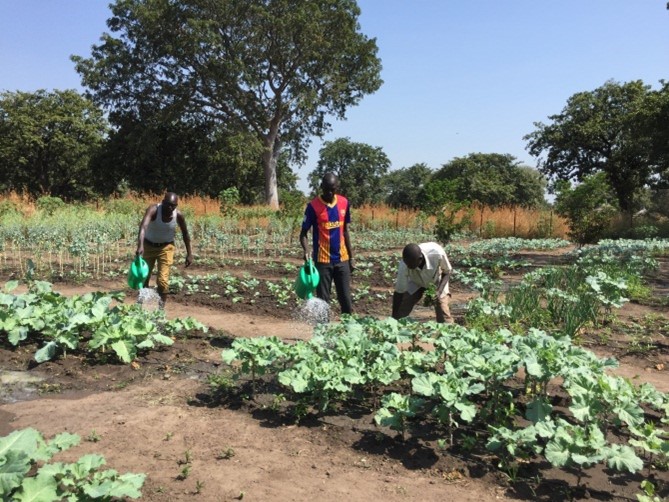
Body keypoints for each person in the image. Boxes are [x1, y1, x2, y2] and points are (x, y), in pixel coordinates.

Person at [300, 173, 354, 315]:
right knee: (323, 301)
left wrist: (351, 257)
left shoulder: (344, 203)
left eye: (333, 189)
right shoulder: (313, 206)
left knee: (346, 299)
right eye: (327, 189)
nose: (330, 193)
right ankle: (322, 334)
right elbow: (303, 233)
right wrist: (306, 251)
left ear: (337, 187)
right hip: (323, 261)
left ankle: (349, 332)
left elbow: (345, 231)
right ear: (321, 187)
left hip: (342, 259)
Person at [136, 192, 193, 305]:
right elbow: (143, 227)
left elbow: (185, 234)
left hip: (166, 247)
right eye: (168, 204)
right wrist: (140, 245)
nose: (170, 207)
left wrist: (189, 253)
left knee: (163, 281)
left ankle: (160, 311)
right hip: (149, 246)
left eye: (173, 205)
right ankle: (140, 306)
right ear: (162, 203)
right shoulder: (154, 210)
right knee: (144, 277)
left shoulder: (178, 215)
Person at [392, 242, 453, 323]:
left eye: (411, 265)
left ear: (420, 259)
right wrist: (393, 319)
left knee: (442, 308)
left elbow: (447, 272)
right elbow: (399, 293)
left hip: (436, 281)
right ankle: (397, 328)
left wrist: (438, 291)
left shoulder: (437, 253)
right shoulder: (404, 265)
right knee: (403, 305)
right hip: (415, 281)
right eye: (407, 264)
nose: (408, 267)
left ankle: (449, 331)